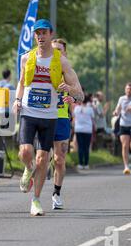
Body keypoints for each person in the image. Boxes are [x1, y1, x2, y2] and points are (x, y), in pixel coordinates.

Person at [12, 19, 84, 217]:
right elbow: (20, 82)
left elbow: (79, 92)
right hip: (29, 112)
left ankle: (35, 200)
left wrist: (68, 88)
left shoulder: (61, 61)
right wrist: (17, 100)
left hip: (50, 115)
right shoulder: (26, 58)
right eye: (37, 33)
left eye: (44, 33)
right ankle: (28, 169)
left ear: (51, 34)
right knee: (25, 152)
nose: (40, 36)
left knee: (43, 159)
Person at [49, 38, 75, 210]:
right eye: (54, 49)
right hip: (42, 117)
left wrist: (71, 97)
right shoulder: (43, 69)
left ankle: (56, 193)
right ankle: (31, 170)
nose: (57, 53)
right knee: (40, 157)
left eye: (60, 50)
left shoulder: (68, 72)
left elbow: (78, 94)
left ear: (65, 53)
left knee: (59, 159)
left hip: (62, 118)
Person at [74, 94, 95, 170]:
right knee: (86, 147)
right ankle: (86, 164)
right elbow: (93, 118)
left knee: (80, 147)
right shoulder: (90, 109)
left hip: (78, 129)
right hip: (87, 130)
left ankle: (80, 163)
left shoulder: (76, 108)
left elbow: (74, 117)